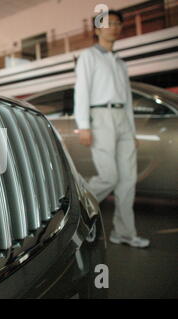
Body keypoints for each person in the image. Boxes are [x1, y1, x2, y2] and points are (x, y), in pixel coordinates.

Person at [74, 9, 150, 248]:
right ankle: (74, 212)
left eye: (118, 23)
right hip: (100, 116)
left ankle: (124, 232)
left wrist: (132, 131)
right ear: (97, 29)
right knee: (109, 176)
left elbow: (126, 98)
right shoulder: (88, 56)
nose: (115, 27)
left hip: (123, 121)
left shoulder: (120, 62)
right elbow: (82, 91)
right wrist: (84, 126)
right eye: (109, 23)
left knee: (127, 180)